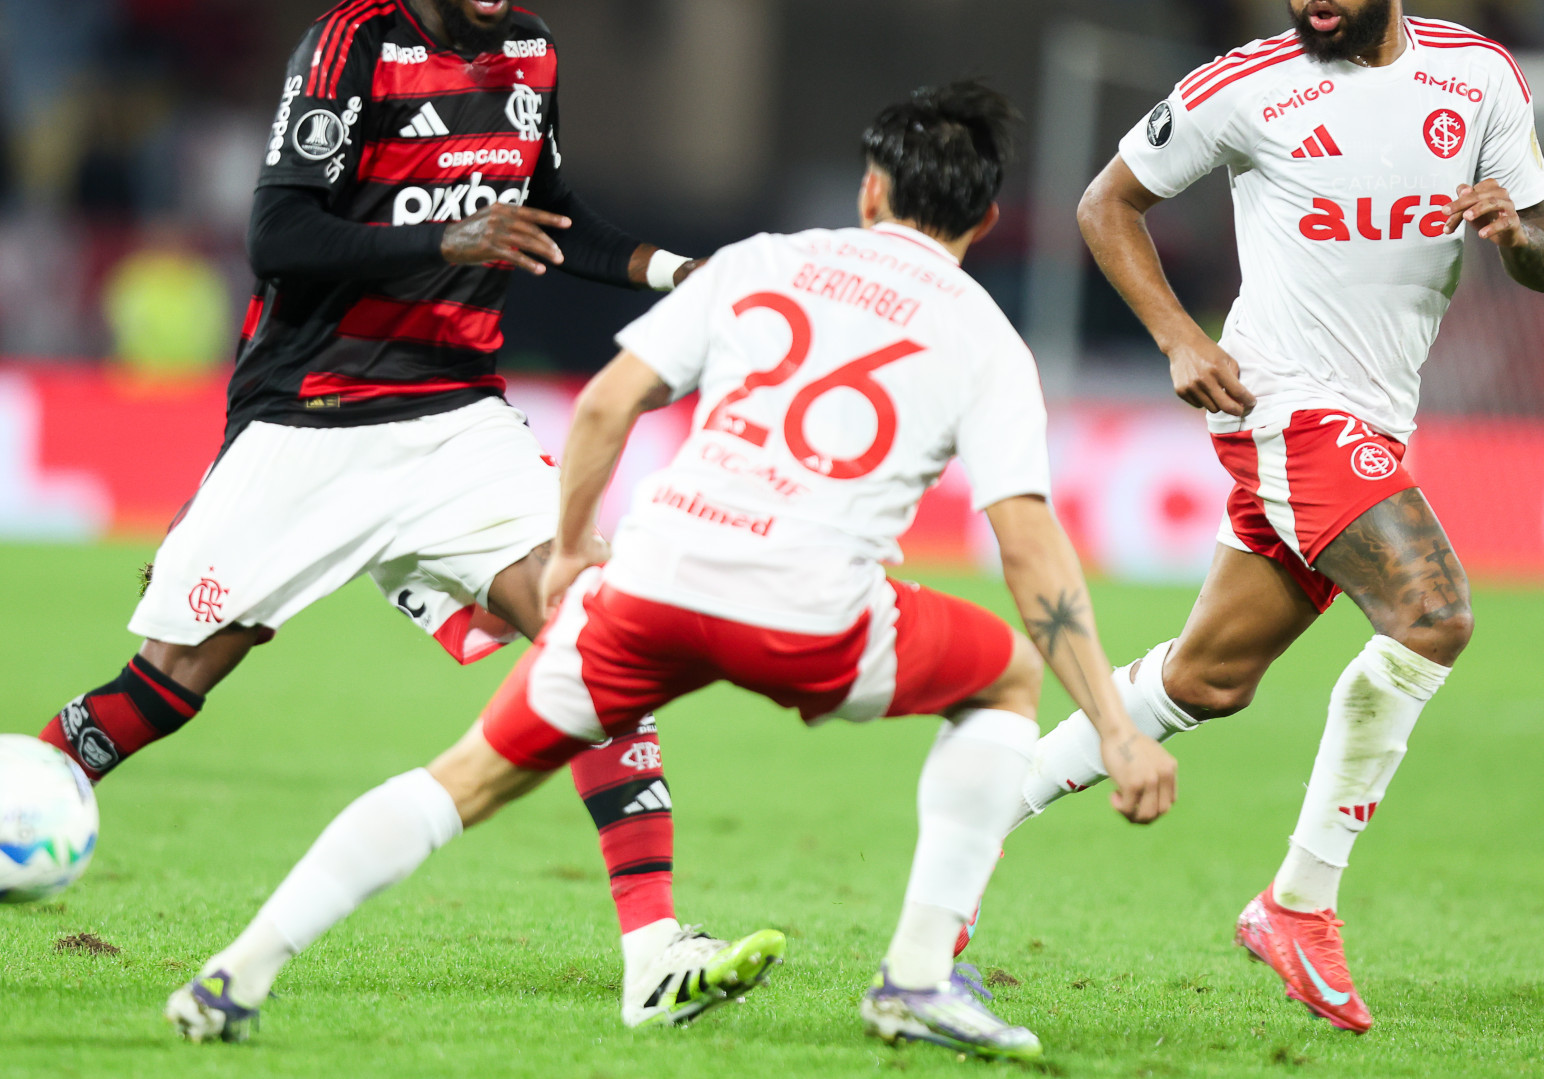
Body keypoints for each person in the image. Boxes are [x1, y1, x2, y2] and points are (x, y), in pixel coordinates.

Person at [0, 0, 727, 1023]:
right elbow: (278, 235)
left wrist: (667, 270)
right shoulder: (348, 49)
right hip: (312, 420)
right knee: (175, 676)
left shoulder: (532, 56)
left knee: (593, 636)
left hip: (455, 422)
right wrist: (445, 236)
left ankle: (654, 955)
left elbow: (553, 212)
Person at [163, 84, 1179, 1056]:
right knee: (1003, 673)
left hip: (653, 578)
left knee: (463, 778)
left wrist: (568, 553)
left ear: (871, 191)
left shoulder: (762, 263)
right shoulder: (986, 339)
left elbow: (605, 406)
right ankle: (915, 976)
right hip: (810, 609)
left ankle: (238, 969)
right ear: (987, 217)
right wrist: (1118, 730)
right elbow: (1027, 542)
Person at [1008, 0, 1544, 1033]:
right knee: (1436, 614)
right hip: (1287, 406)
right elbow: (1108, 205)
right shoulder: (1241, 88)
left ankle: (980, 806)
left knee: (1209, 678)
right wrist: (1176, 339)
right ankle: (1299, 901)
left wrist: (1517, 236)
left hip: (1376, 415)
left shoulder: (1481, 80)